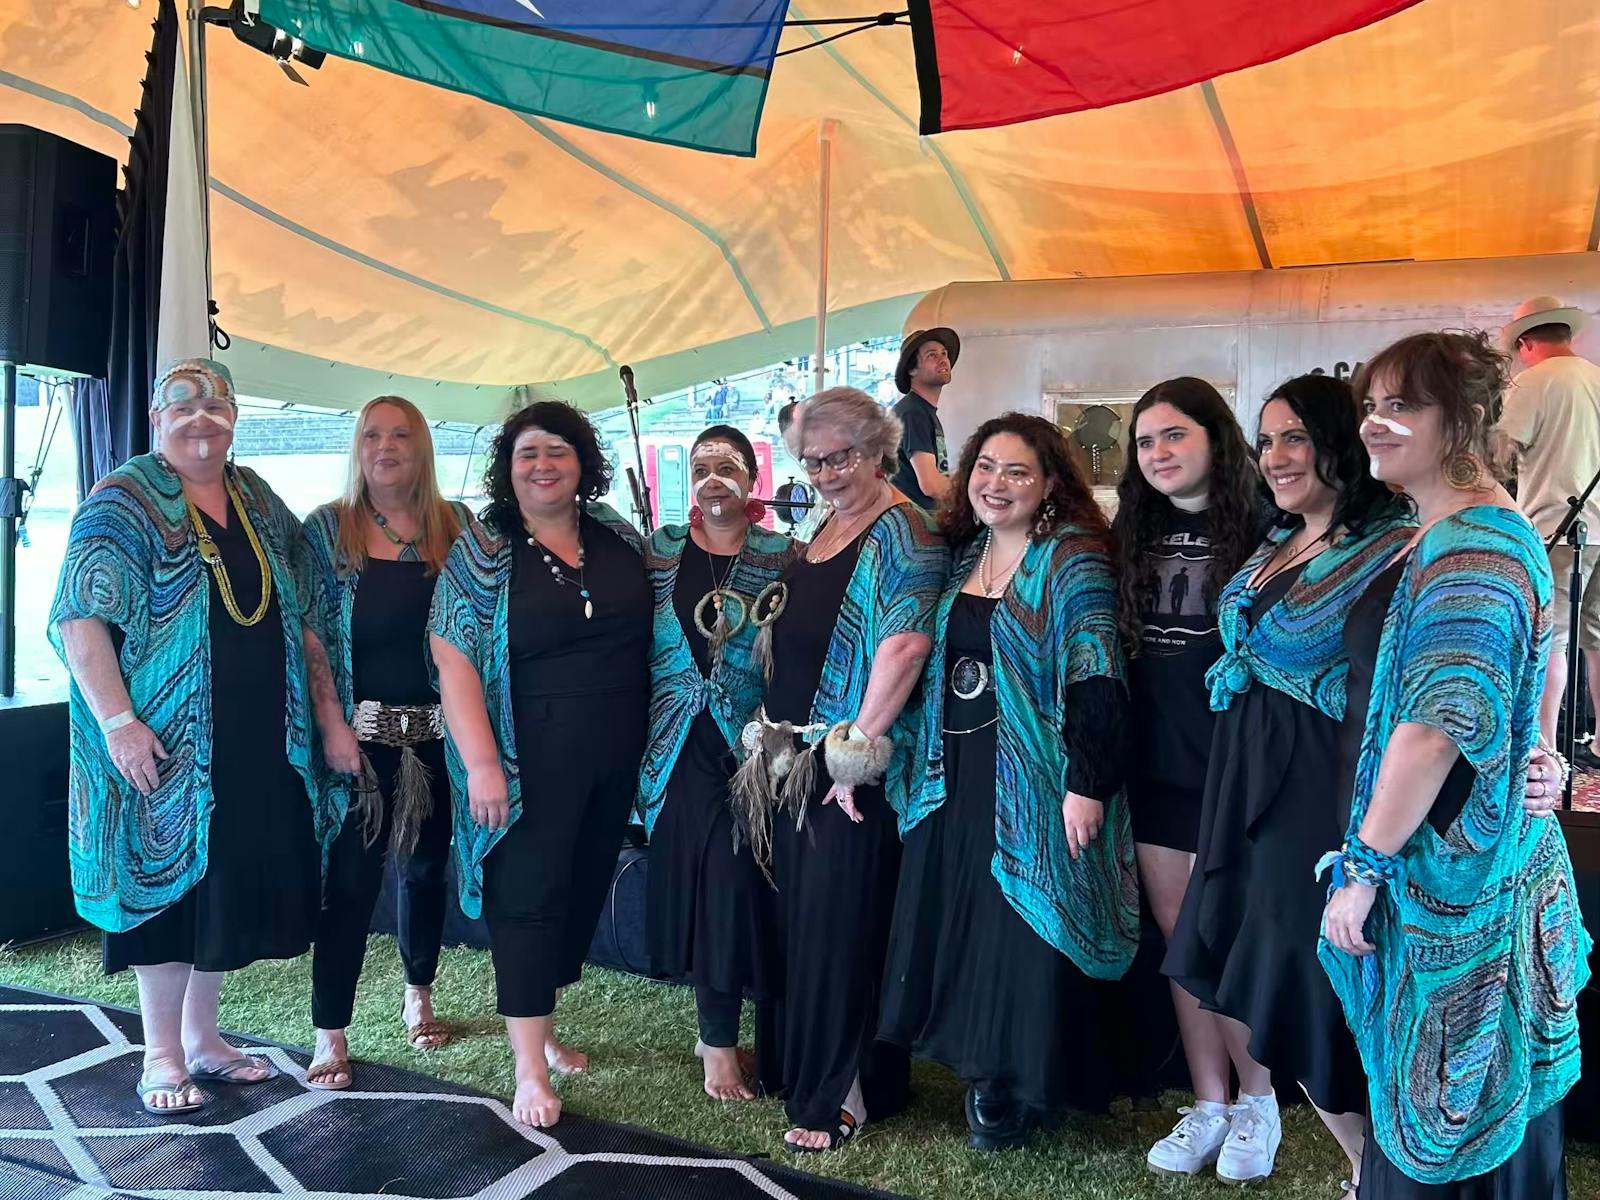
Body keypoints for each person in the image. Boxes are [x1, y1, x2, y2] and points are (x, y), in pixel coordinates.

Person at [1321, 330, 1592, 1197]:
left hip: (1459, 883)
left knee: (1456, 1113)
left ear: (1465, 419)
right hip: (1472, 865)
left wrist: (1363, 866)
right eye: (1371, 405)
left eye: (1404, 405)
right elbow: (1545, 651)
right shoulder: (1462, 528)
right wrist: (1539, 745)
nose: (1375, 424)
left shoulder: (1472, 543)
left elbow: (1437, 728)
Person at [49, 358, 351, 1115]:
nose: (201, 415)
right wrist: (120, 725)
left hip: (254, 737)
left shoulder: (253, 495)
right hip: (165, 739)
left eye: (217, 402)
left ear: (235, 418)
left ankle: (205, 1042)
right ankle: (159, 1056)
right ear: (157, 419)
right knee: (169, 893)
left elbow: (308, 604)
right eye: (182, 403)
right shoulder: (123, 499)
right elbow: (78, 616)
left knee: (218, 887)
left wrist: (326, 719)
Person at [1162, 375, 1415, 1193]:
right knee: (1262, 974)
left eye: (1295, 437)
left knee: (1305, 984)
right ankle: (1366, 1171)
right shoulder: (1280, 540)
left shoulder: (1396, 547)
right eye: (1266, 440)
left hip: (1317, 792)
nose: (1276, 457)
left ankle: (1376, 1170)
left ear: (1341, 441)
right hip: (1245, 783)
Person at [879, 414, 1136, 1151]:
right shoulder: (963, 556)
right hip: (953, 770)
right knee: (968, 919)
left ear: (1050, 482)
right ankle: (980, 1064)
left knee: (1024, 921)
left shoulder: (1072, 560)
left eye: (1017, 472)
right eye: (985, 467)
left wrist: (1087, 782)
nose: (997, 484)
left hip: (1035, 772)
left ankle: (1019, 1083)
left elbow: (1096, 675)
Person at [732, 387, 949, 1152]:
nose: (825, 472)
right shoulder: (825, 525)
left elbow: (905, 647)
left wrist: (854, 759)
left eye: (840, 457)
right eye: (812, 460)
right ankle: (806, 1067)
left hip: (849, 769)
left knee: (841, 929)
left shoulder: (907, 531)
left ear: (879, 445)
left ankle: (846, 1090)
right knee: (803, 925)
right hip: (793, 760)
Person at [430, 400, 652, 1129]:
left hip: (614, 756)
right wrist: (483, 763)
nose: (543, 464)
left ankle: (545, 1030)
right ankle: (527, 1068)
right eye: (528, 453)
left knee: (580, 890)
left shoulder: (618, 537)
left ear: (584, 463)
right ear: (508, 468)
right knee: (526, 899)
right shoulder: (484, 549)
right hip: (527, 758)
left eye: (558, 450)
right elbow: (452, 654)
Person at [1107, 378, 1263, 1176]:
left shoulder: (1269, 529)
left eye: (1174, 436)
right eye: (1145, 442)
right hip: (1157, 770)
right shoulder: (1130, 532)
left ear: (1214, 438)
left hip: (1238, 773)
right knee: (1180, 941)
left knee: (1229, 937)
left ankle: (1259, 1104)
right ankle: (1209, 1102)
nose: (1159, 454)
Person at [300, 396, 472, 1089]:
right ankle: (329, 1032)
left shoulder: (454, 527)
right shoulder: (327, 529)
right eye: (372, 433)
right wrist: (333, 724)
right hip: (359, 745)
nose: (386, 445)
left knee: (428, 873)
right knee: (349, 886)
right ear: (357, 447)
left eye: (402, 434)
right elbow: (311, 631)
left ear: (422, 447)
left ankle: (418, 994)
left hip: (437, 741)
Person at [636, 425, 792, 1101]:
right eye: (702, 467)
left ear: (753, 480)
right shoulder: (658, 553)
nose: (713, 478)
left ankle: (724, 1032)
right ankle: (719, 1044)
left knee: (741, 883)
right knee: (715, 882)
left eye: (727, 466)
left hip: (753, 741)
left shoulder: (785, 555)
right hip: (674, 744)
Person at [1492, 295, 1600, 752]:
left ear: (1526, 342)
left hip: (1557, 528)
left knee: (1550, 639)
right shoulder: (1596, 377)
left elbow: (1497, 457)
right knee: (1596, 639)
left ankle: (1545, 749)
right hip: (1599, 530)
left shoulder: (1533, 383)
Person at [888, 328, 959, 509]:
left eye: (944, 353)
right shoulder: (912, 413)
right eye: (932, 355)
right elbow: (930, 484)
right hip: (917, 524)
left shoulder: (920, 411)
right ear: (911, 369)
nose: (943, 359)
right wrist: (971, 495)